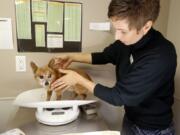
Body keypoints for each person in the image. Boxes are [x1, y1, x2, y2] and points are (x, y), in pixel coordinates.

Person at [50, 0, 177, 134]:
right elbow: (105, 56)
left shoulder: (161, 56)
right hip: (130, 119)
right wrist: (73, 57)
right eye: (116, 29)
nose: (117, 36)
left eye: (122, 31)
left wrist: (78, 79)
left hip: (153, 129)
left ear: (146, 26)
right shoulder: (128, 41)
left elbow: (118, 96)